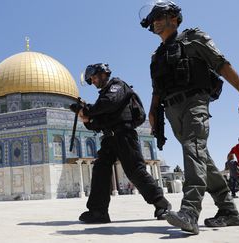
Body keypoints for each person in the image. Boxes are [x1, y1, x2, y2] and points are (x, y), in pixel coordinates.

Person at [140, 1, 239, 234]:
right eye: (153, 18)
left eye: (161, 16)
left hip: (194, 102)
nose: (156, 21)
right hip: (171, 110)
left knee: (193, 149)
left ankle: (189, 211)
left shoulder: (194, 38)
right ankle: (228, 211)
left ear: (175, 18)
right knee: (201, 157)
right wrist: (153, 112)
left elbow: (221, 63)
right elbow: (157, 88)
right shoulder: (157, 55)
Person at [71, 63, 171, 224]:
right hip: (110, 138)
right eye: (91, 79)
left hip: (124, 135)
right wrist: (85, 117)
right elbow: (98, 122)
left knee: (135, 171)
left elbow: (108, 103)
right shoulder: (103, 96)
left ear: (104, 74)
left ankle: (162, 204)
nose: (94, 81)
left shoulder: (117, 86)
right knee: (100, 169)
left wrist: (88, 110)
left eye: (94, 77)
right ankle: (98, 211)